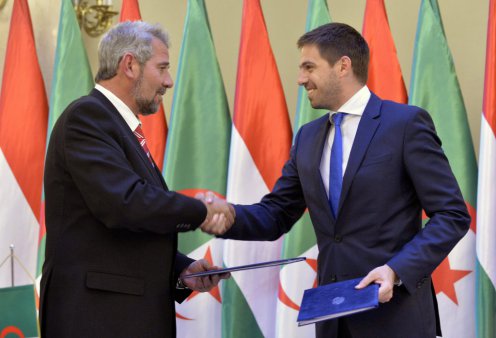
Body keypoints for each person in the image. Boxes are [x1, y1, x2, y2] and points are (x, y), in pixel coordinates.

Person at [201, 23, 470, 338]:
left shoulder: (405, 124)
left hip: (396, 318)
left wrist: (396, 271)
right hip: (332, 319)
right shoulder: (307, 137)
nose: (300, 79)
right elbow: (276, 214)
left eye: (309, 67)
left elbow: (452, 214)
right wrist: (225, 216)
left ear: (343, 66)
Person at [40, 21, 233, 338]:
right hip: (98, 320)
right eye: (163, 67)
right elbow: (124, 203)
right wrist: (200, 210)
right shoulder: (86, 118)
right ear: (129, 64)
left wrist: (180, 270)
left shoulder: (114, 126)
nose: (169, 81)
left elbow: (121, 232)